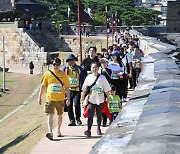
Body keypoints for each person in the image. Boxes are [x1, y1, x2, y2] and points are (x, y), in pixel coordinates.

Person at [38, 58, 71, 140]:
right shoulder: (47, 74)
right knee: (50, 114)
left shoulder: (63, 75)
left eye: (57, 64)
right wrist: (40, 97)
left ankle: (58, 130)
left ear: (60, 65)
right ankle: (50, 132)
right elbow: (43, 86)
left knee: (60, 115)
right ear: (51, 65)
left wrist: (68, 98)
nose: (55, 66)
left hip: (60, 98)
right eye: (54, 64)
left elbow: (67, 87)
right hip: (50, 98)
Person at [81, 62, 111, 137]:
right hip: (91, 99)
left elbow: (106, 89)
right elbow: (84, 88)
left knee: (99, 114)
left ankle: (98, 128)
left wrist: (108, 97)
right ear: (91, 69)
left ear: (98, 68)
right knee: (90, 114)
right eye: (93, 67)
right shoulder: (88, 77)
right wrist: (82, 97)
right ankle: (88, 129)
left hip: (100, 99)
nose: (94, 69)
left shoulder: (102, 78)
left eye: (96, 67)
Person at [62, 54, 85, 126]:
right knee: (69, 105)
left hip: (77, 89)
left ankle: (78, 118)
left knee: (76, 104)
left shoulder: (79, 68)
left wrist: (83, 89)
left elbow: (82, 78)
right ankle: (71, 120)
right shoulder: (65, 69)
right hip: (68, 90)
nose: (71, 62)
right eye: (69, 60)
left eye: (72, 60)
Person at [99, 58, 112, 127]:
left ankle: (108, 119)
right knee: (101, 106)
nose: (103, 64)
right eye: (102, 63)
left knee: (107, 105)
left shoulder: (109, 71)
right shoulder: (99, 71)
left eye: (104, 63)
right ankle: (102, 120)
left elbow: (110, 79)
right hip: (100, 91)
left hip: (107, 90)